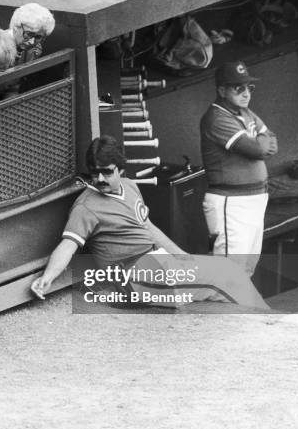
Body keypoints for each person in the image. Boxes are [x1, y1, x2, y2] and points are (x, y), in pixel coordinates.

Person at [30, 136, 270, 310]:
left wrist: (182, 256)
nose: (100, 178)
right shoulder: (87, 206)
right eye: (94, 173)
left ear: (121, 169)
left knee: (230, 273)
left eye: (107, 172)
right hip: (134, 276)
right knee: (226, 281)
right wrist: (47, 277)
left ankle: (266, 324)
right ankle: (269, 326)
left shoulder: (131, 187)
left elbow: (149, 228)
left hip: (157, 261)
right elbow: (67, 245)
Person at [200, 61, 277, 276]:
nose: (245, 93)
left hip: (255, 200)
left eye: (249, 88)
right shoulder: (216, 117)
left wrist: (261, 141)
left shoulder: (245, 112)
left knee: (246, 271)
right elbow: (258, 149)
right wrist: (261, 140)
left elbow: (274, 140)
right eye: (238, 88)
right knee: (229, 274)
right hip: (231, 203)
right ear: (222, 90)